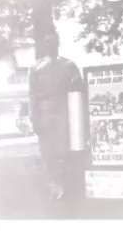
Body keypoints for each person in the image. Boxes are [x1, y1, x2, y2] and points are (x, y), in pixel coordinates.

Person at [28, 32, 83, 200]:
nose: (50, 44)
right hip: (44, 114)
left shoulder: (69, 65)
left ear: (58, 43)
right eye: (47, 42)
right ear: (44, 45)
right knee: (46, 152)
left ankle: (64, 185)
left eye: (53, 41)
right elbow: (32, 96)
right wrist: (33, 117)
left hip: (63, 113)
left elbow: (78, 90)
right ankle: (53, 185)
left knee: (64, 150)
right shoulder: (36, 68)